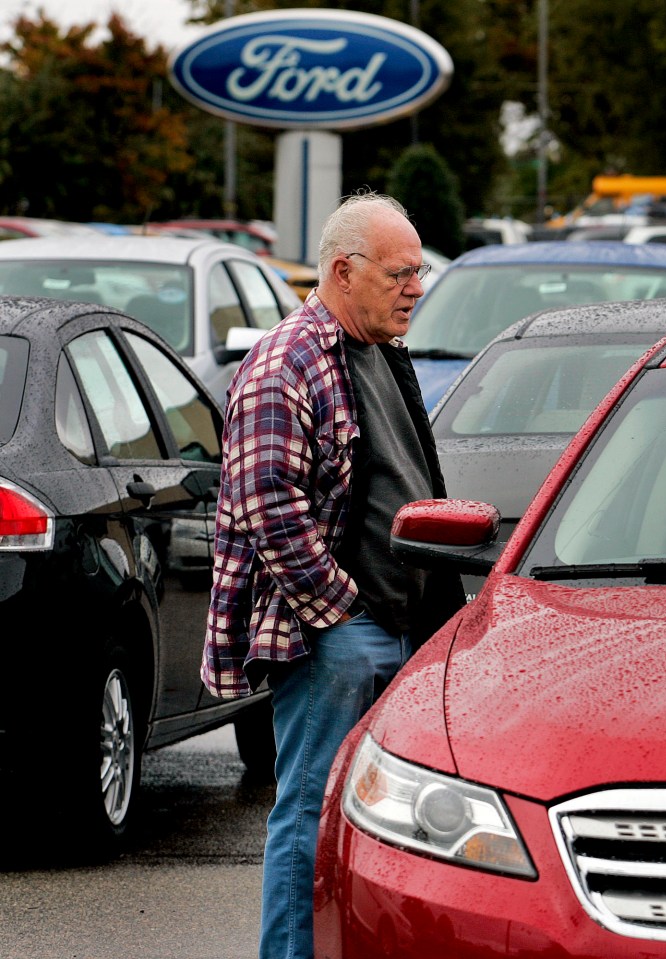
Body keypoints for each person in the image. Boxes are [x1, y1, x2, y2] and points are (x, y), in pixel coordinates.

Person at [202, 191, 464, 959]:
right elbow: (263, 499)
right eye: (400, 272)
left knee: (389, 822)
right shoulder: (286, 360)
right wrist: (341, 617)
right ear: (344, 272)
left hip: (399, 625)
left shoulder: (378, 351)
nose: (416, 286)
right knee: (312, 811)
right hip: (337, 635)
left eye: (419, 271)